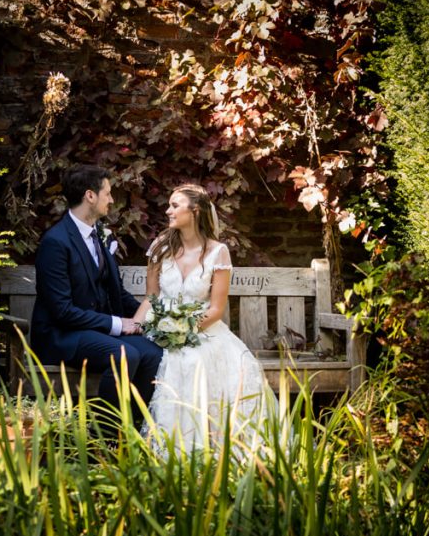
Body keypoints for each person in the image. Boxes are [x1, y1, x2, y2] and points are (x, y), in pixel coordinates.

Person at [133, 184, 273, 453]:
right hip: (161, 328)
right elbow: (151, 297)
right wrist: (135, 325)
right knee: (165, 359)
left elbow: (216, 309)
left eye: (175, 205)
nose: (168, 210)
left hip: (202, 329)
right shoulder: (160, 247)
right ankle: (168, 446)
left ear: (194, 211)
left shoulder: (217, 252)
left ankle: (205, 447)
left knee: (197, 360)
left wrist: (184, 330)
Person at [30, 165, 163, 435]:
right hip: (61, 335)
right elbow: (61, 311)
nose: (111, 200)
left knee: (153, 353)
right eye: (108, 193)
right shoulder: (55, 242)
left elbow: (115, 293)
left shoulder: (98, 235)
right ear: (90, 195)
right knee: (124, 354)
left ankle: (131, 429)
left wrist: (150, 317)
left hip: (93, 332)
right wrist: (118, 324)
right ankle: (104, 439)